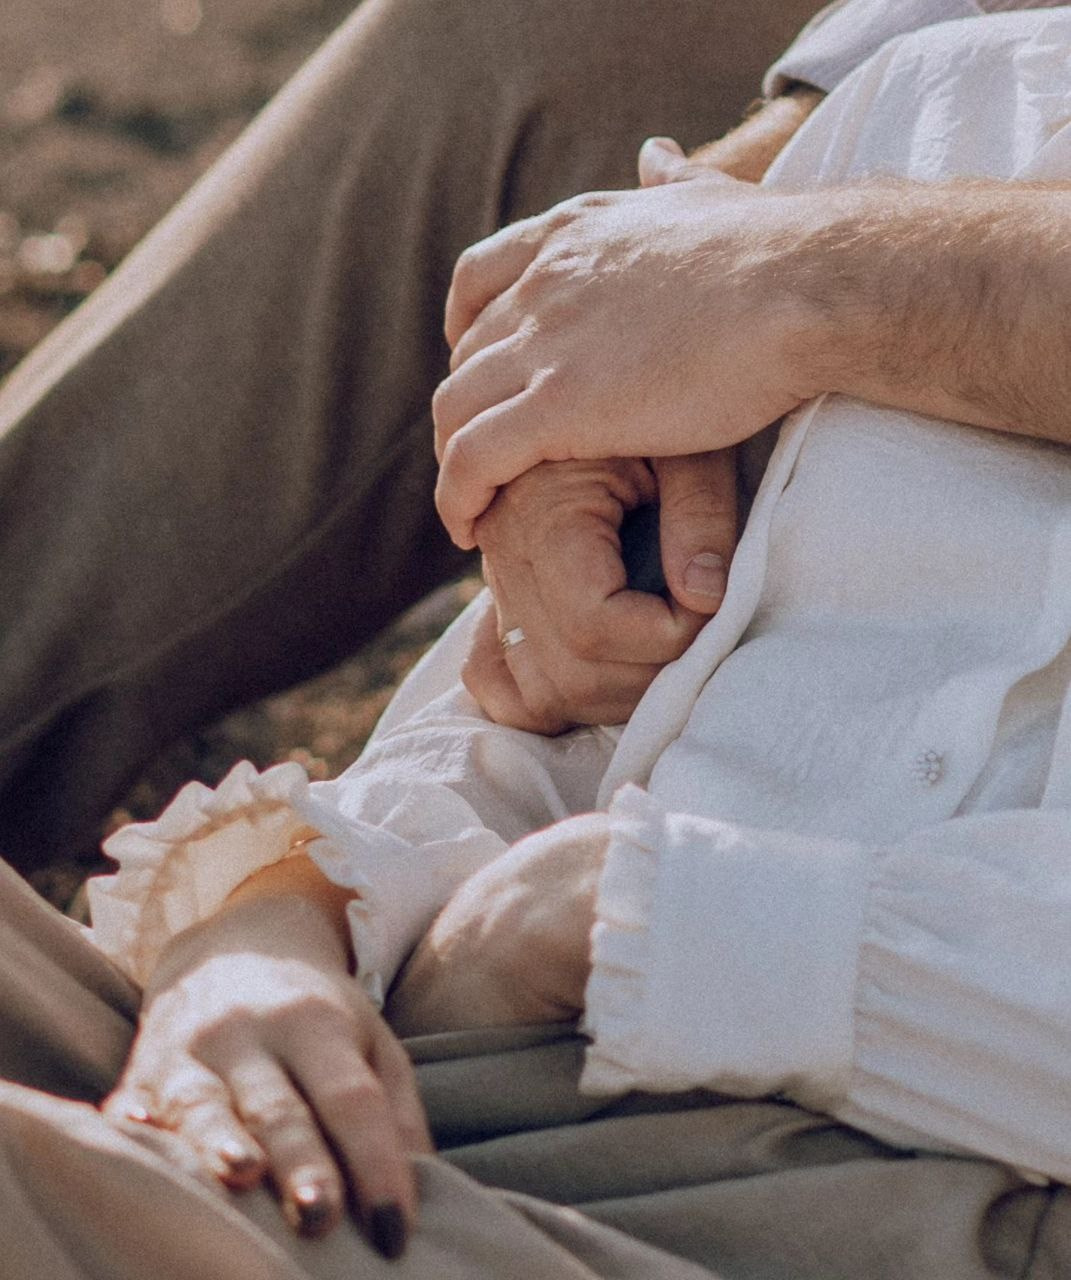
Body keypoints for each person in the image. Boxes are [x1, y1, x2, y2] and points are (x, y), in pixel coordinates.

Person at [4, 4, 1071, 1280]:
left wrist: (611, 911)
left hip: (871, 1200)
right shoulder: (946, 99)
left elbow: (585, 890)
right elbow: (540, 716)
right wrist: (264, 924)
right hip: (419, 1085)